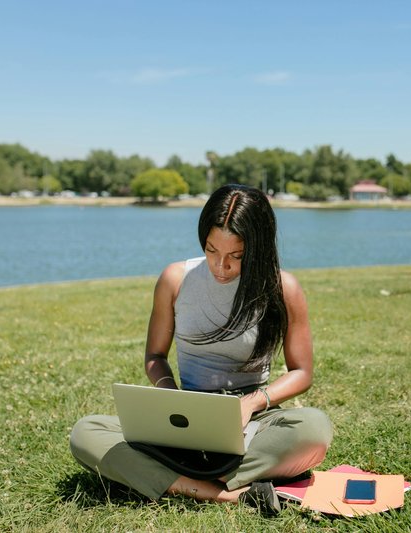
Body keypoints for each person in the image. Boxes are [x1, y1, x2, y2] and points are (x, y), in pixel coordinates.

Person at [70, 184, 333, 516]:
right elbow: (155, 357)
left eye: (236, 256)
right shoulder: (175, 279)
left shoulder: (283, 289)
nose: (221, 266)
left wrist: (251, 404)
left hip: (253, 419)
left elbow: (302, 372)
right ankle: (227, 493)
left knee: (314, 429)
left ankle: (172, 477)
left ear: (258, 249)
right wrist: (170, 395)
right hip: (184, 418)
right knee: (86, 432)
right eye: (211, 250)